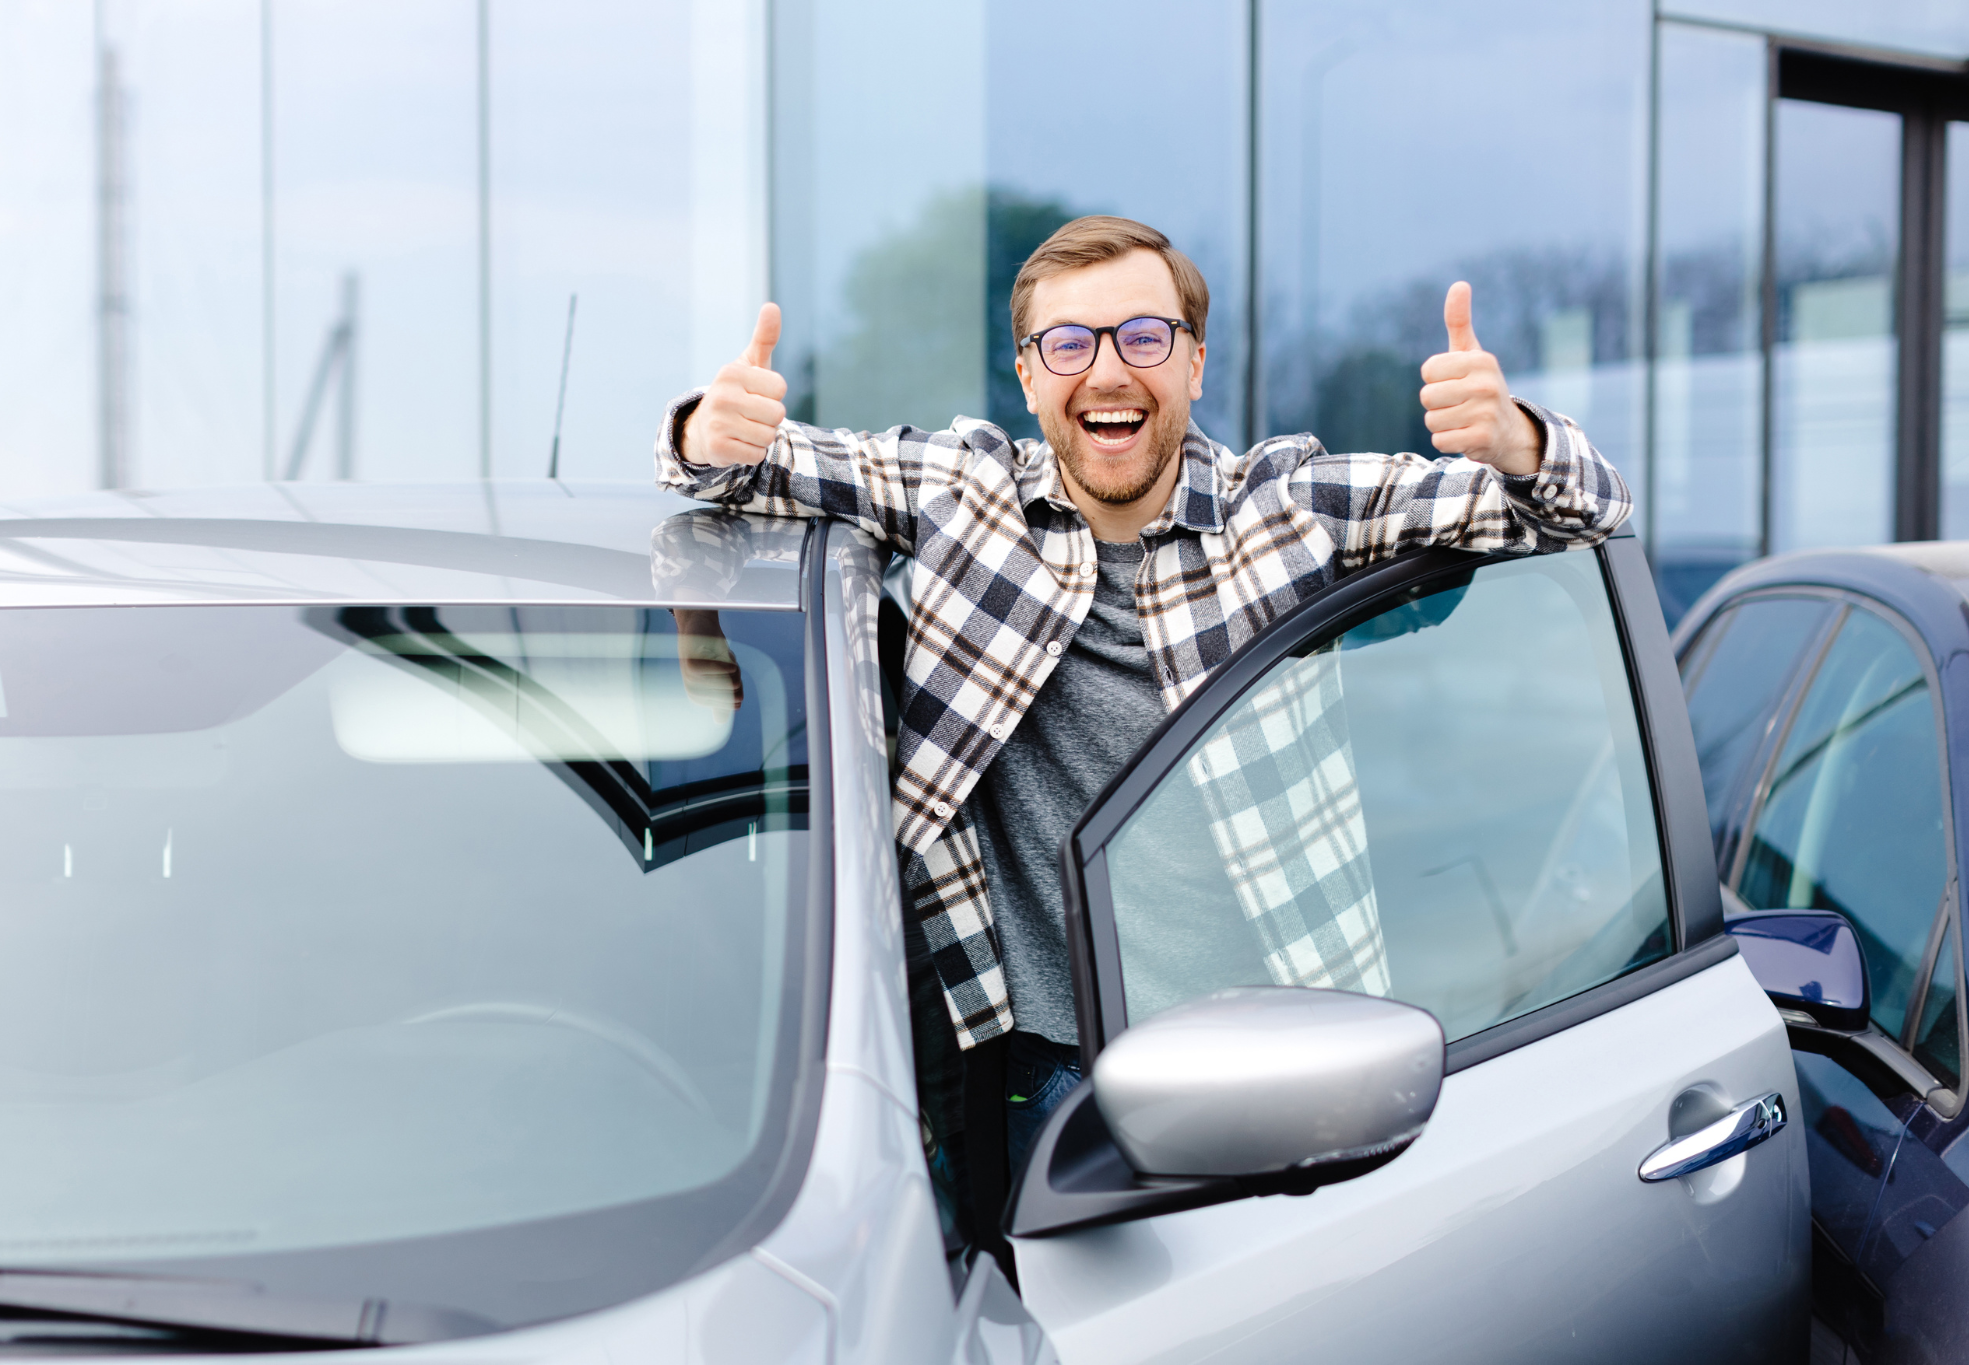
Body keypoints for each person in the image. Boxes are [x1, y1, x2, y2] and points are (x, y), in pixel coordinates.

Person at [655, 215, 1630, 1208]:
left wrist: (1513, 437)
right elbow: (737, 470)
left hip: (1285, 1068)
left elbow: (1584, 513)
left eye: (1143, 336)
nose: (1108, 370)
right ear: (1030, 377)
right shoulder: (962, 492)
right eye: (1069, 343)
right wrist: (706, 429)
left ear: (1194, 364)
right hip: (1045, 1071)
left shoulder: (1288, 505)